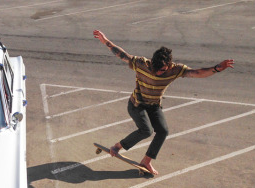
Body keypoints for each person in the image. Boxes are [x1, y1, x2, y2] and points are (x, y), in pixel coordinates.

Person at [93, 30, 234, 175]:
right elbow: (121, 54)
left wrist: (216, 69)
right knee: (146, 130)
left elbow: (197, 73)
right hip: (137, 105)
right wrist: (106, 41)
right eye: (155, 68)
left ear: (169, 65)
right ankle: (117, 146)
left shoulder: (176, 70)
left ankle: (146, 161)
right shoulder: (141, 63)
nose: (157, 73)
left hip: (154, 106)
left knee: (163, 131)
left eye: (161, 70)